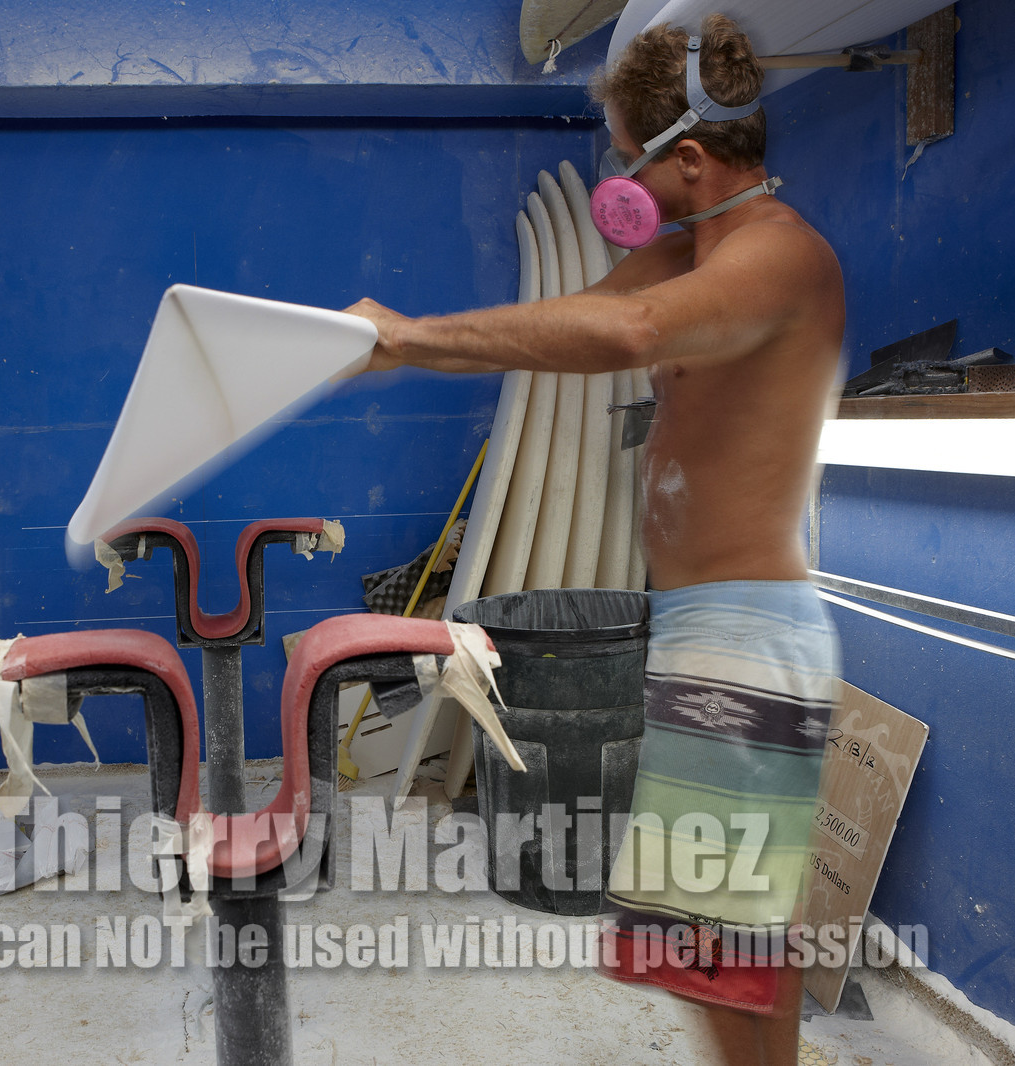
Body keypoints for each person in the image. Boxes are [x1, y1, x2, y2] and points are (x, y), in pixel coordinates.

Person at [345, 14, 842, 1066]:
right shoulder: (684, 248)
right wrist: (398, 351)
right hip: (704, 625)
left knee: (718, 942)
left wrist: (407, 337)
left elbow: (631, 335)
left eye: (630, 162)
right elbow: (577, 319)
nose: (620, 185)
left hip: (746, 631)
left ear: (693, 159)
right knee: (722, 934)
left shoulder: (777, 257)